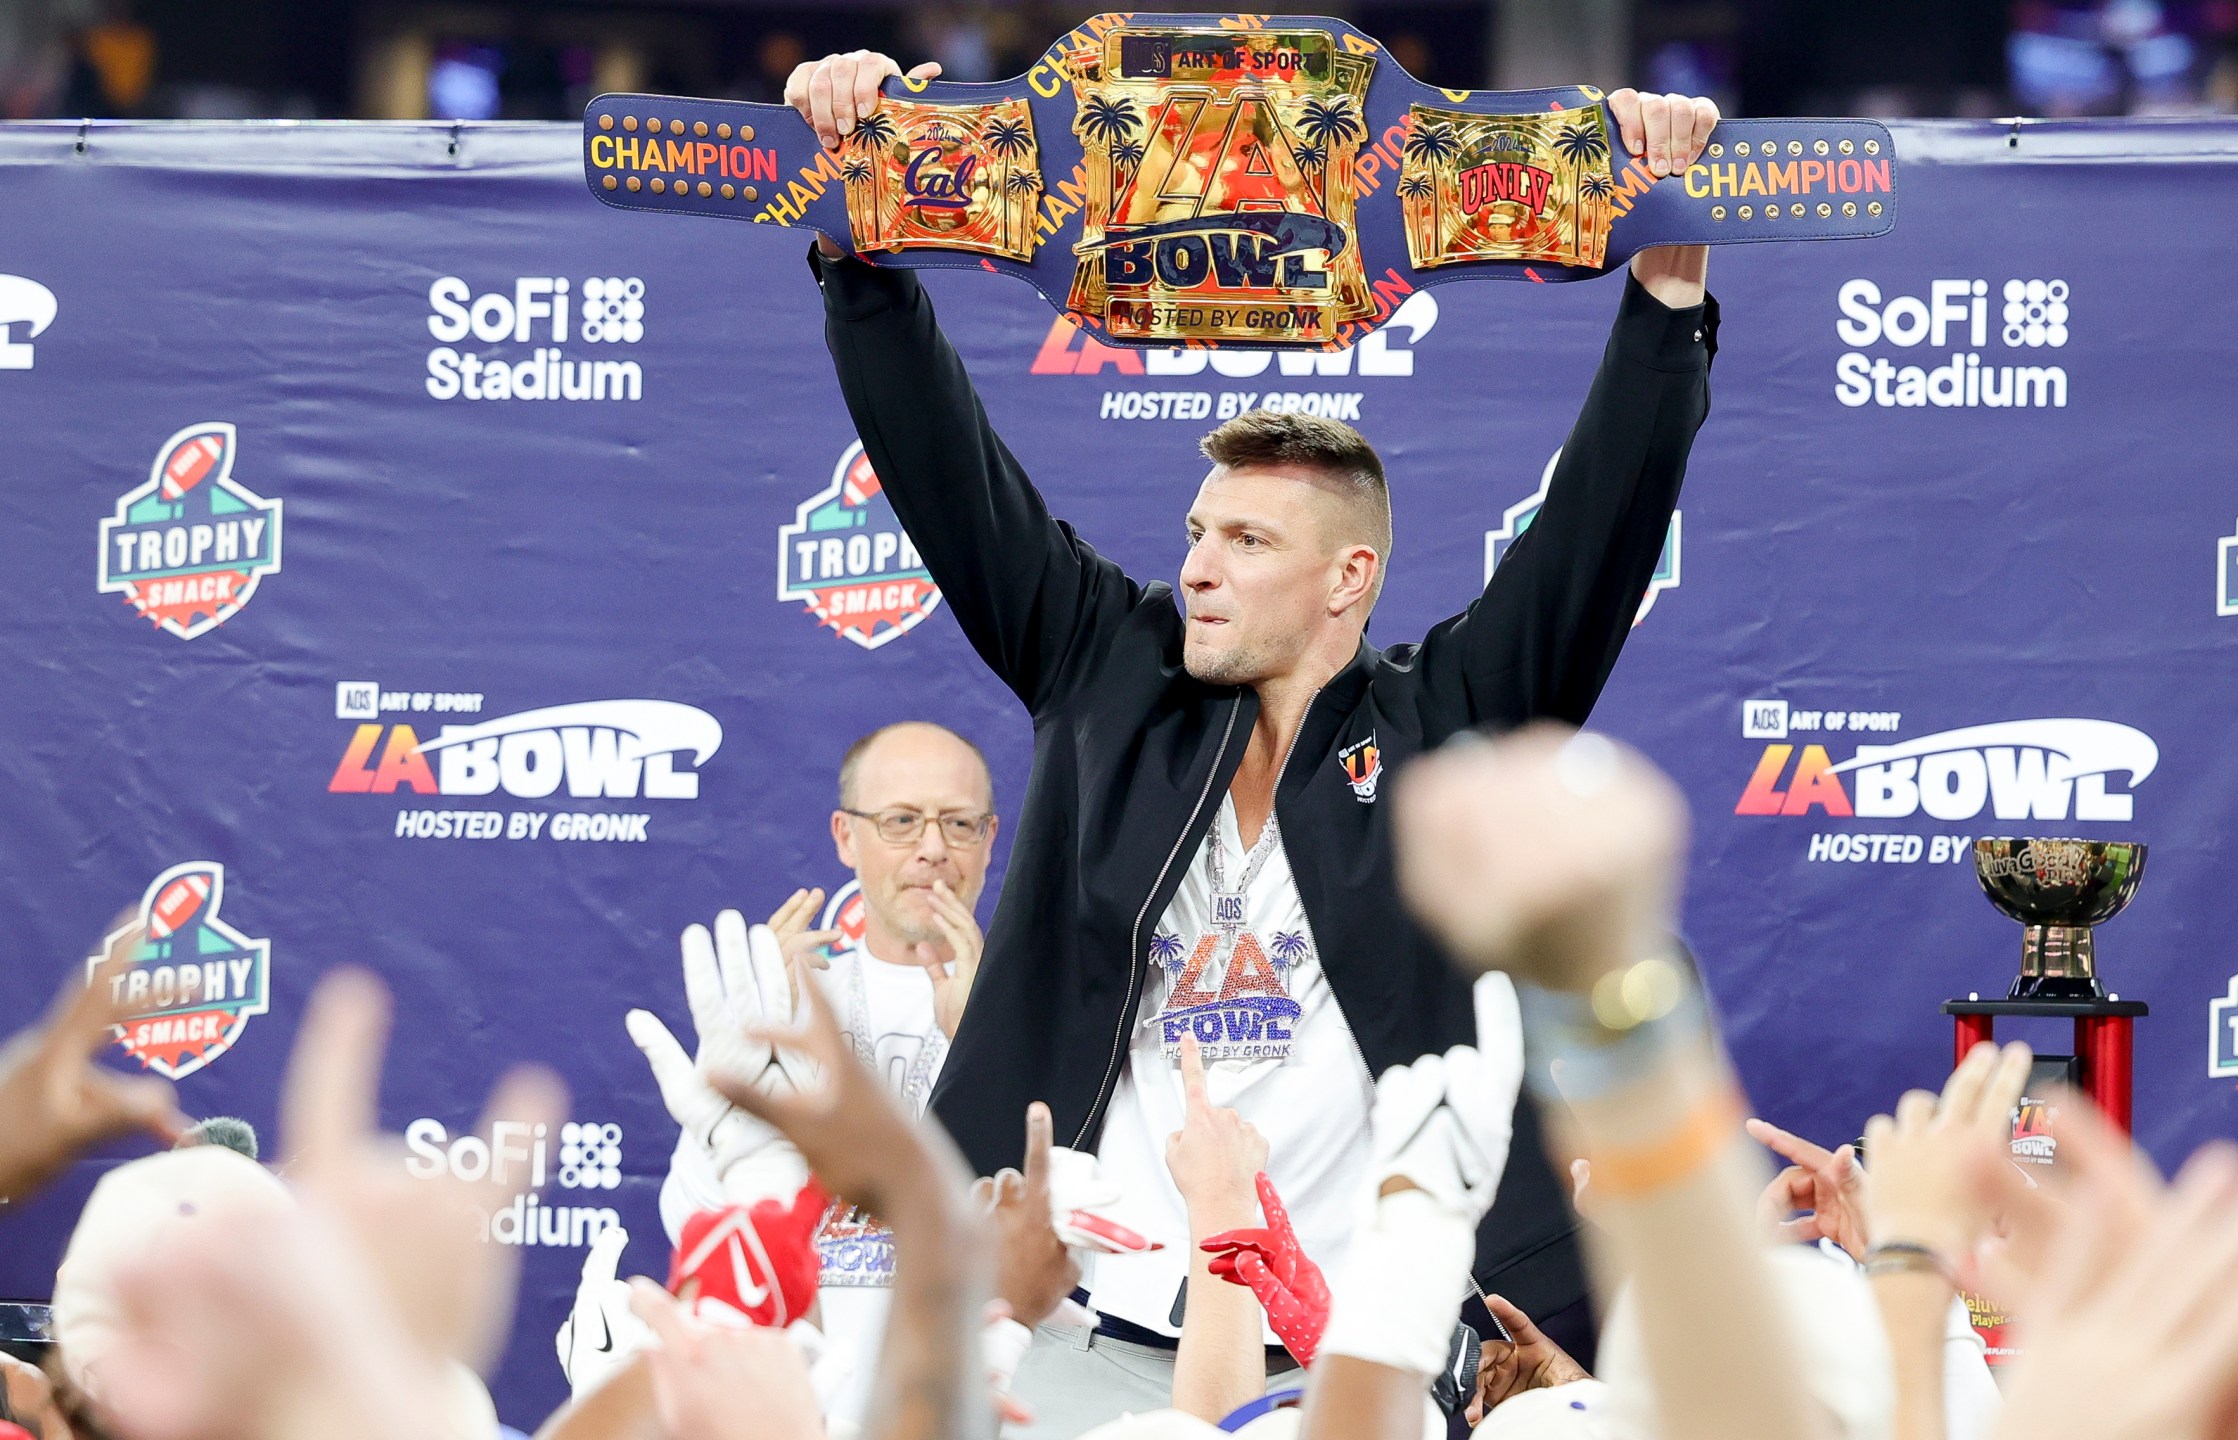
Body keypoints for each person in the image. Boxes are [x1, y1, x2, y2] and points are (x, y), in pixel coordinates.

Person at [783, 47, 1723, 1431]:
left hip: (1350, 1353)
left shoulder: (1446, 725)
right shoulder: (1108, 671)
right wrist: (856, 230)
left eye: (1245, 540)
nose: (1200, 566)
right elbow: (945, 467)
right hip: (1082, 1330)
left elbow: (1598, 535)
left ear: (1348, 579)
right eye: (1197, 534)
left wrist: (1663, 281)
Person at [640, 720, 996, 1424]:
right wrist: (732, 1109)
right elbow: (692, 1225)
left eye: (958, 823)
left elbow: (1066, 1251)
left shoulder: (1042, 1009)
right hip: (789, 1407)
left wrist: (991, 1043)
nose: (933, 849)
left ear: (989, 840)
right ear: (844, 836)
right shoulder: (783, 1006)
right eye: (901, 821)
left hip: (958, 1403)